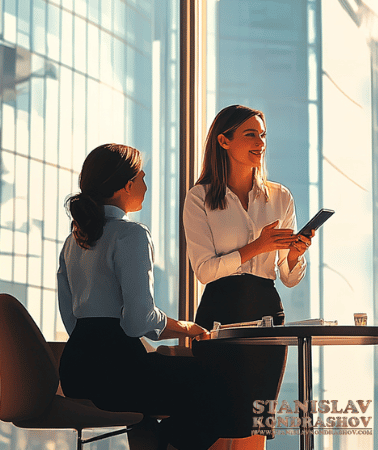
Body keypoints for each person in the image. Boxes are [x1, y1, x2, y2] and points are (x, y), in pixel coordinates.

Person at [57, 143, 218, 450]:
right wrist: (186, 328)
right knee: (215, 386)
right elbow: (137, 322)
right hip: (116, 372)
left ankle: (155, 440)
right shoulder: (131, 235)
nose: (146, 183)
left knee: (163, 397)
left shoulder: (71, 241)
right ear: (127, 185)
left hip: (75, 370)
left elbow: (70, 319)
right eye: (143, 176)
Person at [183, 105, 312, 437]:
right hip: (218, 313)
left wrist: (295, 256)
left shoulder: (280, 197)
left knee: (256, 427)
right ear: (224, 141)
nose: (260, 142)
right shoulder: (199, 198)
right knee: (214, 425)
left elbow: (287, 276)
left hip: (268, 311)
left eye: (263, 135)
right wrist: (257, 246)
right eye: (250, 134)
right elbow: (205, 271)